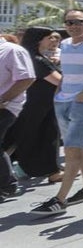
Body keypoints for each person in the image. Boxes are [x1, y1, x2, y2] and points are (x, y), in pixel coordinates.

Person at [31, 8, 83, 217]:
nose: (74, 26)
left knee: (71, 149)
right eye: (69, 22)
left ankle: (60, 199)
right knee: (81, 145)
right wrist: (59, 92)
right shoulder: (66, 45)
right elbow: (67, 73)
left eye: (79, 22)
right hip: (63, 100)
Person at [7, 28, 64, 184]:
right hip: (36, 106)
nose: (52, 41)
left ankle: (51, 171)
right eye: (49, 38)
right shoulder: (37, 60)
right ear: (39, 40)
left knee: (44, 137)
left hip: (42, 105)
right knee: (24, 138)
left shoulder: (37, 57)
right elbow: (59, 81)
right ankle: (49, 171)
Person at [0, 36, 36, 198]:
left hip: (5, 107)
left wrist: (3, 99)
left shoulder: (13, 50)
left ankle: (7, 184)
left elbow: (27, 78)